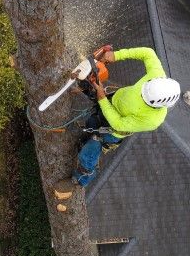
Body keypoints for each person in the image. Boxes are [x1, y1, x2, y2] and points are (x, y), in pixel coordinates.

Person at [70, 46, 181, 187]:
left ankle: (81, 179)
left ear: (157, 105)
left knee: (88, 154)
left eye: (144, 98)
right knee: (91, 121)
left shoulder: (153, 119)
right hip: (114, 100)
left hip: (111, 130)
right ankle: (82, 140)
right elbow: (148, 53)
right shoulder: (156, 76)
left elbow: (118, 124)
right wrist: (116, 55)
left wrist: (102, 99)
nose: (141, 94)